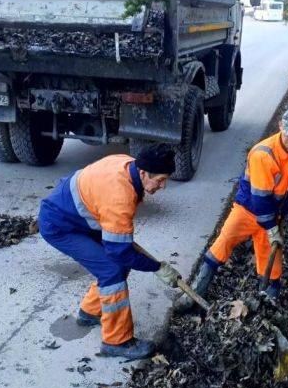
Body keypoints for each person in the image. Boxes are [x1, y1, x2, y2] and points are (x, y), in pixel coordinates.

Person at [39, 144, 181, 360]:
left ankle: (90, 312)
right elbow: (120, 253)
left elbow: (120, 245)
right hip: (61, 225)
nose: (162, 186)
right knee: (112, 269)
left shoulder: (127, 165)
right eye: (160, 180)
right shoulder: (120, 195)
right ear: (143, 173)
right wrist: (157, 267)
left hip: (82, 217)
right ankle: (117, 341)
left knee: (119, 262)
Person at [176, 107, 288, 311]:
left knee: (272, 264)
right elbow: (260, 201)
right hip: (247, 211)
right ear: (281, 126)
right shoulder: (263, 154)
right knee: (223, 243)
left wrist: (280, 218)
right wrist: (273, 229)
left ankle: (267, 304)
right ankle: (194, 295)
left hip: (273, 214)